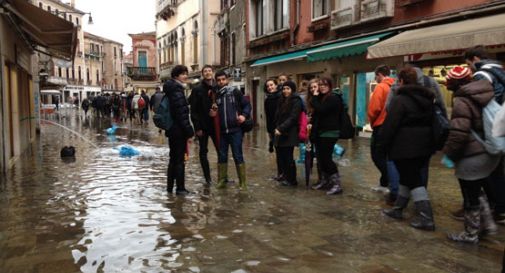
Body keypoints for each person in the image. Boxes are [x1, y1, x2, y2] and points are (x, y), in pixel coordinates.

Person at [442, 66, 499, 243]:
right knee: (478, 189)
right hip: (490, 150)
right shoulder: (486, 93)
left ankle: (470, 233)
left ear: (454, 83)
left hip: (472, 154)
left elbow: (459, 132)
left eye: (449, 82)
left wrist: (450, 154)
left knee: (469, 194)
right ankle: (487, 224)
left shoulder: (462, 99)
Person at [381, 66, 436, 231]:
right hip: (424, 146)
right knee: (407, 178)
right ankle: (398, 209)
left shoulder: (400, 99)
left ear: (402, 81)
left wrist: (382, 145)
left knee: (413, 181)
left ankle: (427, 218)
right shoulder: (428, 98)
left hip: (404, 146)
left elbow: (391, 125)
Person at [465, 46, 505, 224]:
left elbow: (483, 104)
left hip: (491, 129)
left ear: (474, 59)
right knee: (496, 169)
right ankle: (499, 207)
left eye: (468, 64)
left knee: (489, 170)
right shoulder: (499, 71)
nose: (468, 68)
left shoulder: (482, 75)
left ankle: (496, 207)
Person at [214, 70, 251, 190]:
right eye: (218, 80)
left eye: (223, 79)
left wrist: (243, 115)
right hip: (223, 131)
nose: (221, 82)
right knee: (222, 156)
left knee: (237, 155)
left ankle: (243, 183)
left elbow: (247, 105)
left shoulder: (235, 92)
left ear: (227, 80)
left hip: (236, 130)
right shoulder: (217, 94)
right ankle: (222, 180)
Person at [163, 65, 194, 195]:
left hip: (172, 130)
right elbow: (181, 113)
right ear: (176, 76)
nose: (185, 76)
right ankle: (180, 188)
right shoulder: (177, 90)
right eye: (182, 74)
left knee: (173, 159)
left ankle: (170, 188)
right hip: (178, 131)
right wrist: (189, 131)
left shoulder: (171, 88)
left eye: (186, 73)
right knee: (180, 160)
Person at [310, 77, 343, 195]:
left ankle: (337, 184)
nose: (322, 87)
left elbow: (321, 110)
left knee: (326, 159)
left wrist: (314, 96)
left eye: (324, 85)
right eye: (320, 85)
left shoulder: (333, 98)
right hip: (321, 132)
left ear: (329, 86)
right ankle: (326, 181)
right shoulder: (323, 97)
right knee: (321, 159)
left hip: (330, 132)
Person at [368, 65, 395, 197]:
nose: (376, 79)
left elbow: (375, 109)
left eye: (376, 76)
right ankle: (384, 183)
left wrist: (372, 123)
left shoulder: (381, 87)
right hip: (391, 126)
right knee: (386, 156)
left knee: (377, 156)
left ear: (379, 74)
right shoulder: (395, 86)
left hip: (380, 126)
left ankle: (390, 182)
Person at [188, 65, 218, 184]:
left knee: (221, 149)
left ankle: (223, 177)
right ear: (202, 74)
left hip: (216, 125)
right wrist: (197, 128)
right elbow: (193, 110)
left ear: (213, 72)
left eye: (209, 71)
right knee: (203, 151)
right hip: (203, 126)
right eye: (205, 71)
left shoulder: (218, 87)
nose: (207, 73)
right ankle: (208, 178)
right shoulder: (197, 89)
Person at [274, 80, 303, 187]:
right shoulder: (282, 100)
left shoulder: (296, 101)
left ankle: (292, 180)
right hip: (280, 133)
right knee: (282, 157)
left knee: (288, 157)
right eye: (284, 89)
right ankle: (286, 177)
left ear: (292, 90)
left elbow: (293, 118)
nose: (285, 91)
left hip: (289, 133)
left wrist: (281, 128)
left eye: (288, 89)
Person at [264, 79, 282, 180]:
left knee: (284, 153)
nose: (270, 87)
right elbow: (268, 117)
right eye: (268, 86)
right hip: (272, 129)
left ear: (276, 85)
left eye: (271, 85)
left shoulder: (281, 97)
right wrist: (269, 131)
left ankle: (286, 175)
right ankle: (280, 173)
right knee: (278, 152)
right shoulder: (267, 99)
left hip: (281, 128)